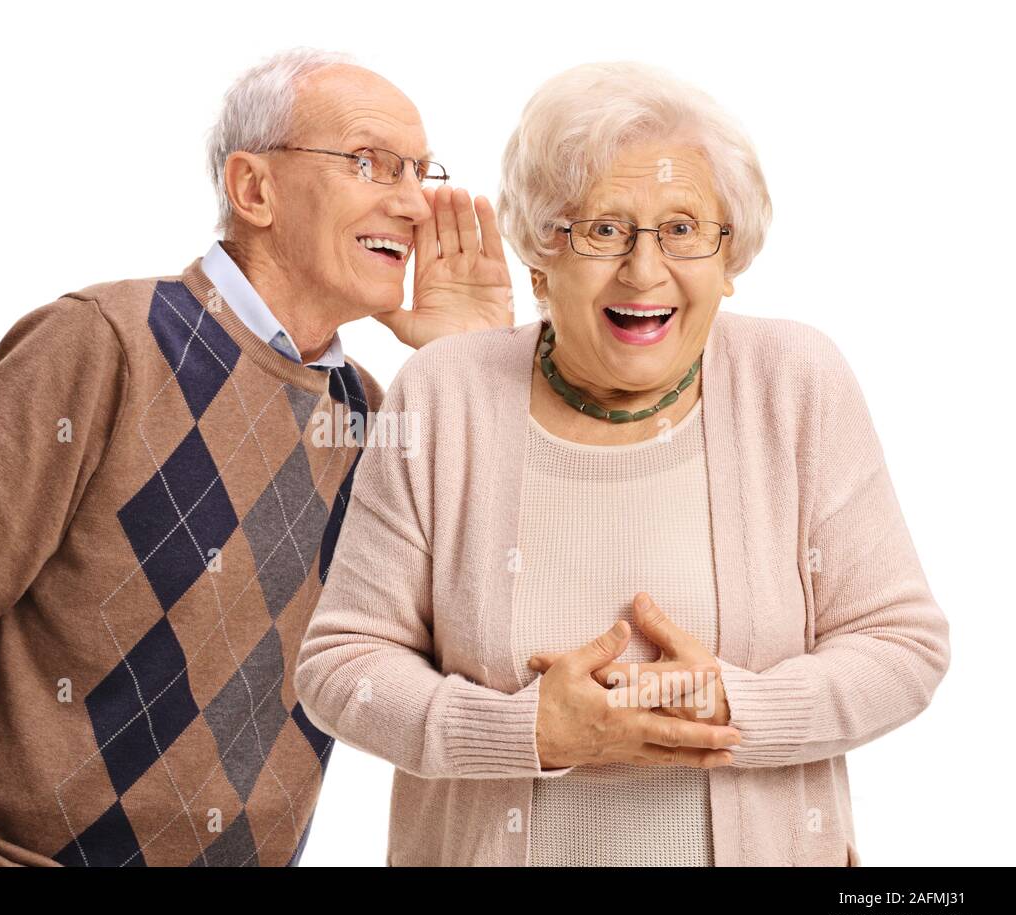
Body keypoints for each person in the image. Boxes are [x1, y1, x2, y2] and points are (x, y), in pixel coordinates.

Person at [0, 46, 511, 866]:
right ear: (253, 189)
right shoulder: (104, 343)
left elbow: (476, 652)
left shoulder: (372, 411)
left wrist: (472, 375)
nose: (413, 204)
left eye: (421, 172)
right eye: (372, 164)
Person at [295, 60, 949, 866]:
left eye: (683, 229)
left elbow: (902, 647)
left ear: (729, 257)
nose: (645, 271)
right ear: (540, 256)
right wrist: (528, 729)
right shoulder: (445, 391)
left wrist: (727, 703)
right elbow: (341, 666)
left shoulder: (796, 381)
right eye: (603, 230)